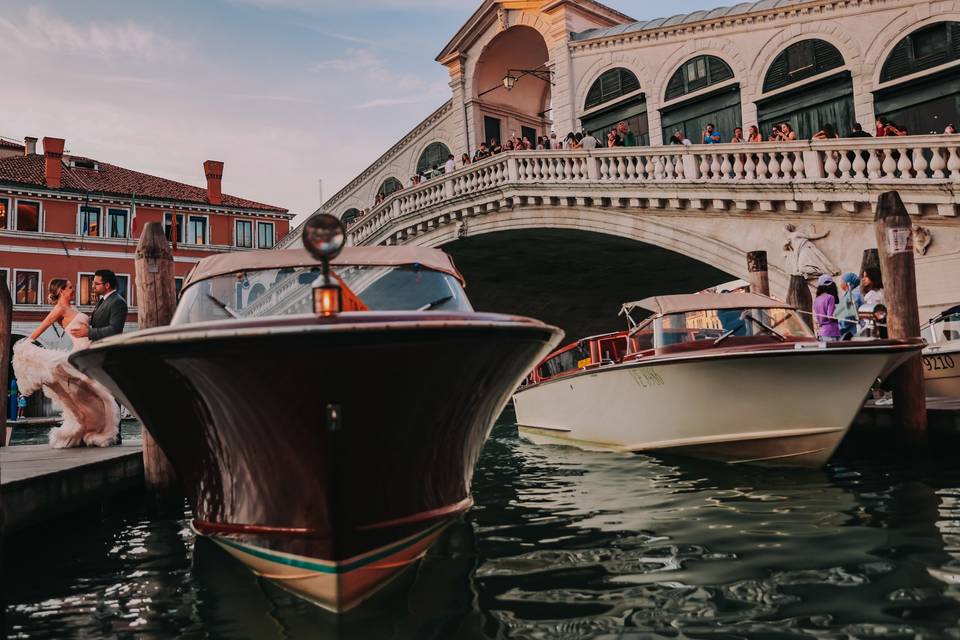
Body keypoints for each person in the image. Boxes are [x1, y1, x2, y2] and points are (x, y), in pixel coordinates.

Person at [11, 278, 119, 448]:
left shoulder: (72, 308)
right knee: (91, 395)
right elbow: (40, 328)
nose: (73, 289)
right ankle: (84, 429)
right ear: (61, 291)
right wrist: (25, 346)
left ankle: (89, 431)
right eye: (70, 287)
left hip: (89, 353)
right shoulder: (59, 309)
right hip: (80, 355)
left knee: (94, 395)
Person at [813, 274, 841, 341]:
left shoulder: (816, 299)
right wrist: (840, 317)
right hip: (832, 332)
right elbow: (830, 316)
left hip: (821, 332)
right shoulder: (830, 297)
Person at [835, 272, 861, 339]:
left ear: (847, 283)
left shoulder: (854, 295)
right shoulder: (851, 294)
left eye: (842, 281)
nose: (840, 283)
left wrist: (840, 326)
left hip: (852, 332)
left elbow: (849, 315)